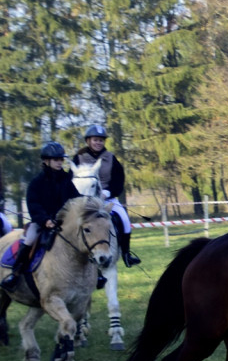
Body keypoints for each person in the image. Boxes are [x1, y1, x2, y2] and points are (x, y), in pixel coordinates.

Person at [2, 142, 81, 291]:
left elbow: (75, 198)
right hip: (42, 223)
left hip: (64, 223)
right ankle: (15, 274)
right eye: (56, 159)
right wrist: (45, 220)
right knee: (30, 238)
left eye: (61, 159)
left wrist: (88, 200)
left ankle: (95, 274)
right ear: (46, 161)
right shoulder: (36, 183)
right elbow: (33, 205)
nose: (59, 162)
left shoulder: (66, 180)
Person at [72, 125, 141, 267]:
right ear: (88, 141)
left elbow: (119, 181)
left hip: (107, 198)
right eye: (95, 140)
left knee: (125, 221)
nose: (98, 143)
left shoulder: (111, 158)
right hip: (84, 201)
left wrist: (107, 192)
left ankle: (126, 254)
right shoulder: (78, 158)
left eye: (101, 140)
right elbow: (70, 180)